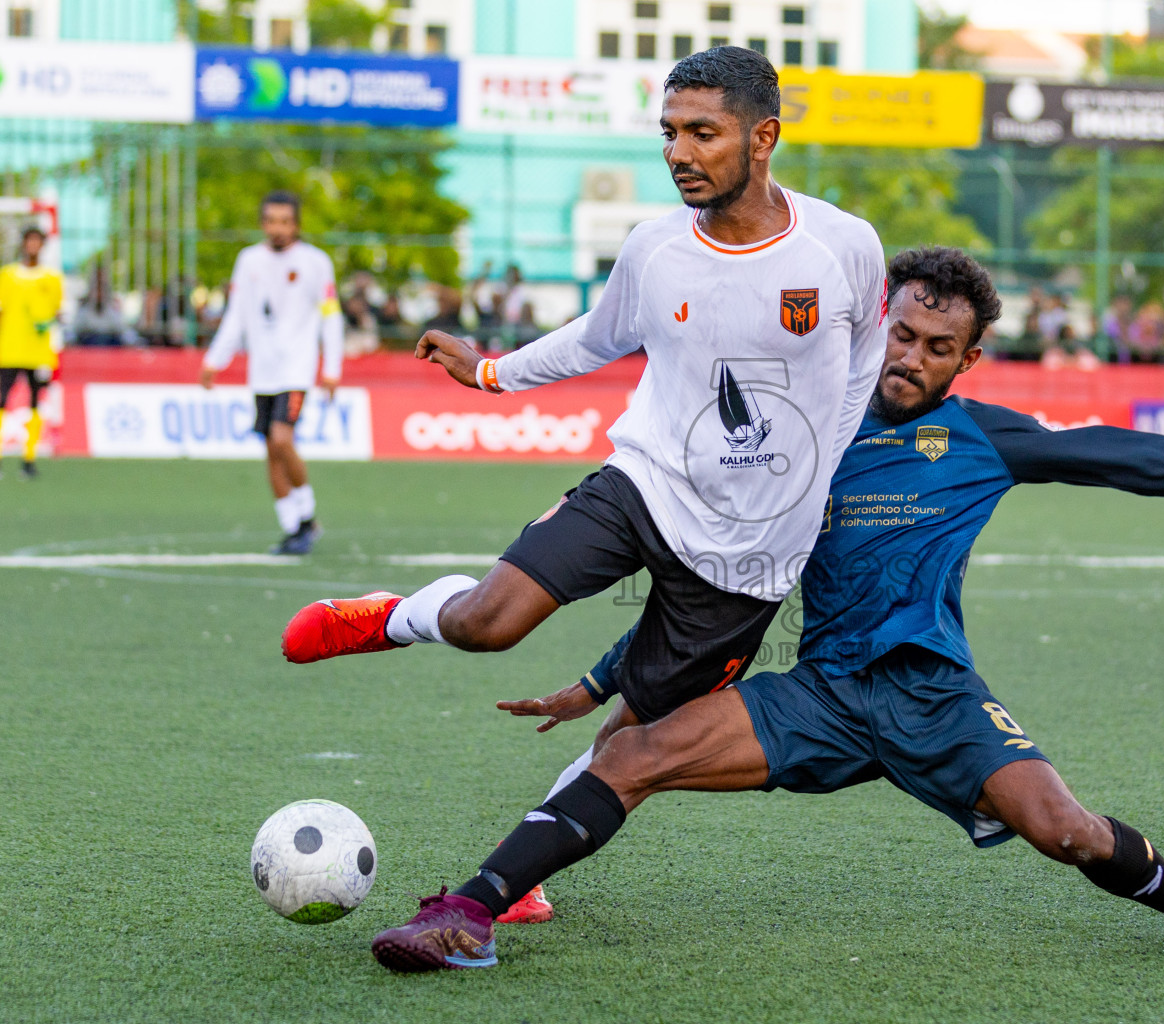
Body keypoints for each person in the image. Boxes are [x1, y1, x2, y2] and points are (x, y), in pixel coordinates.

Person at [366, 248, 1164, 971]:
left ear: (969, 357)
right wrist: (602, 679)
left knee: (1066, 830)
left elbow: (1133, 457)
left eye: (939, 345)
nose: (911, 357)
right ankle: (472, 909)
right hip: (824, 693)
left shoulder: (987, 437)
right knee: (631, 757)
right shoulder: (810, 423)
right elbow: (722, 574)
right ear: (878, 320)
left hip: (937, 696)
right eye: (902, 333)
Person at [281, 45, 888, 929]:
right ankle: (390, 617)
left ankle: (518, 873)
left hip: (752, 562)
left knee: (628, 744)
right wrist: (489, 374)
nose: (680, 152)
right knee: (489, 621)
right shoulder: (653, 249)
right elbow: (594, 339)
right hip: (646, 483)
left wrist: (824, 474)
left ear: (765, 137)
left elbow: (866, 360)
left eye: (703, 133)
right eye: (669, 132)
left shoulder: (844, 247)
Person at [200, 190, 344, 555]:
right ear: (263, 223)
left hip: (296, 369)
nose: (277, 228)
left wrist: (332, 366)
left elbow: (330, 315)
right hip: (261, 370)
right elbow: (236, 315)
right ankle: (293, 526)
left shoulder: (315, 262)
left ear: (296, 224)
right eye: (271, 221)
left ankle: (308, 514)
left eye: (285, 221)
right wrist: (216, 359)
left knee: (282, 439)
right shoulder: (248, 261)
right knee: (271, 449)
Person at [0, 227, 64, 479]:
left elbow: (57, 313)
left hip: (38, 352)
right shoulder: (7, 275)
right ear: (23, 244)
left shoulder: (51, 279)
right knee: (2, 399)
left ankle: (29, 458)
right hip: (9, 349)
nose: (33, 246)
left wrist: (47, 323)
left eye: (38, 241)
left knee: (36, 402)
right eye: (30, 241)